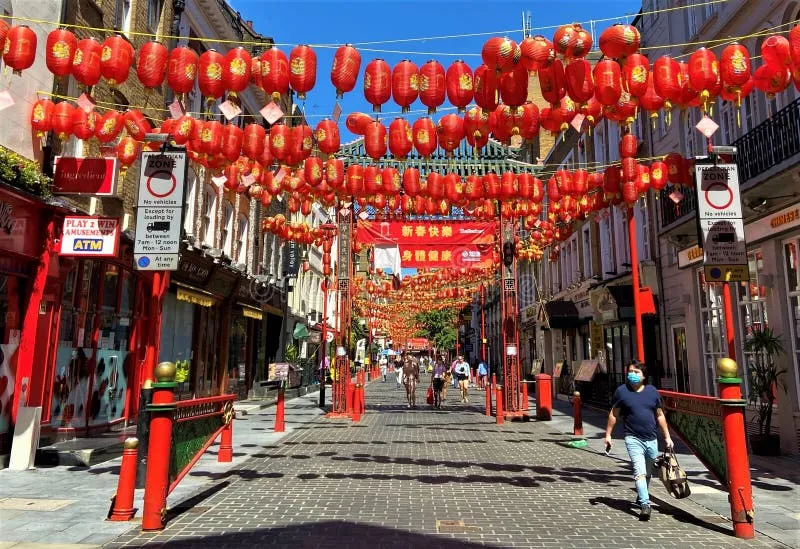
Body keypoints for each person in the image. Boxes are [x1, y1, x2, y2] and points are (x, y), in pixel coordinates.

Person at [604, 360, 674, 522]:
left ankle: (641, 495)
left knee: (648, 473)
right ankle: (645, 504)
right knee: (639, 472)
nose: (632, 375)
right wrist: (608, 435)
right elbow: (614, 414)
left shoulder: (652, 392)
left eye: (636, 372)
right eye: (630, 372)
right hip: (632, 438)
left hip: (651, 439)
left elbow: (660, 415)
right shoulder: (622, 391)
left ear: (643, 376)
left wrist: (667, 437)